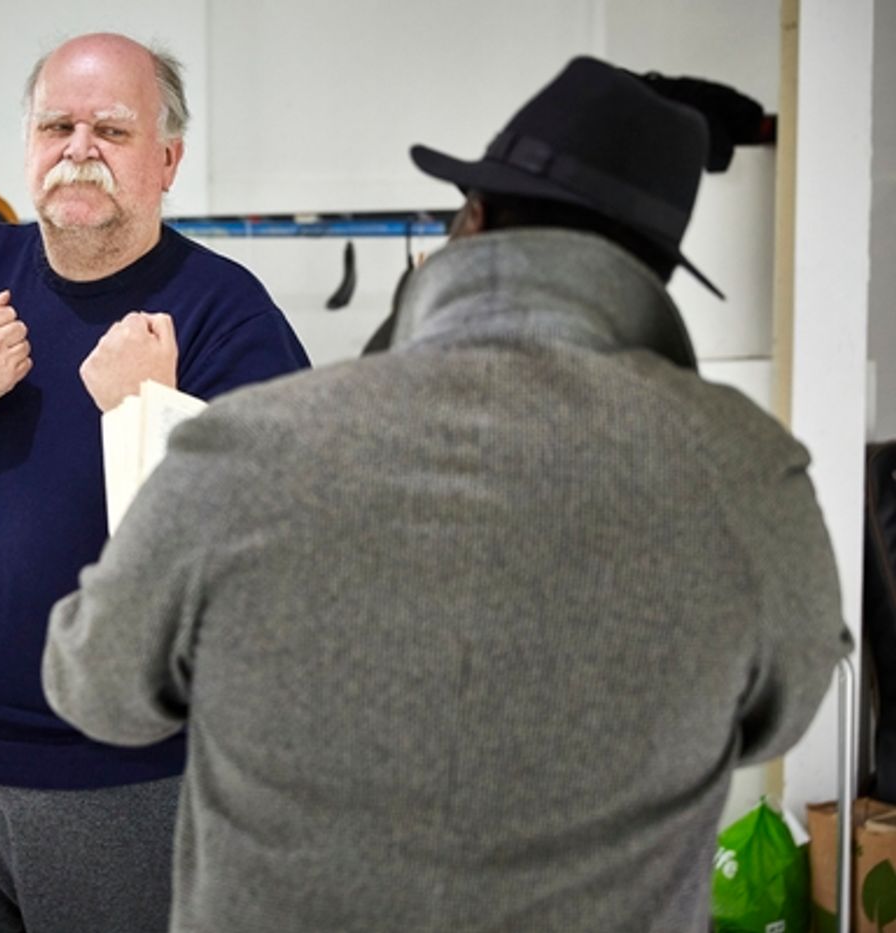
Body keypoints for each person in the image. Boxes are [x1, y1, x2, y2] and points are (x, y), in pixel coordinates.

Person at [43, 56, 851, 932]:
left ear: (474, 217)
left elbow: (97, 687)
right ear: (655, 274)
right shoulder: (745, 471)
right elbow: (782, 717)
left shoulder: (245, 446)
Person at [0, 32, 310, 933]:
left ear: (167, 160)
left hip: (112, 781)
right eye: (55, 126)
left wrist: (146, 412)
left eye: (111, 129)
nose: (79, 149)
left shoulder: (227, 314)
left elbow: (266, 571)